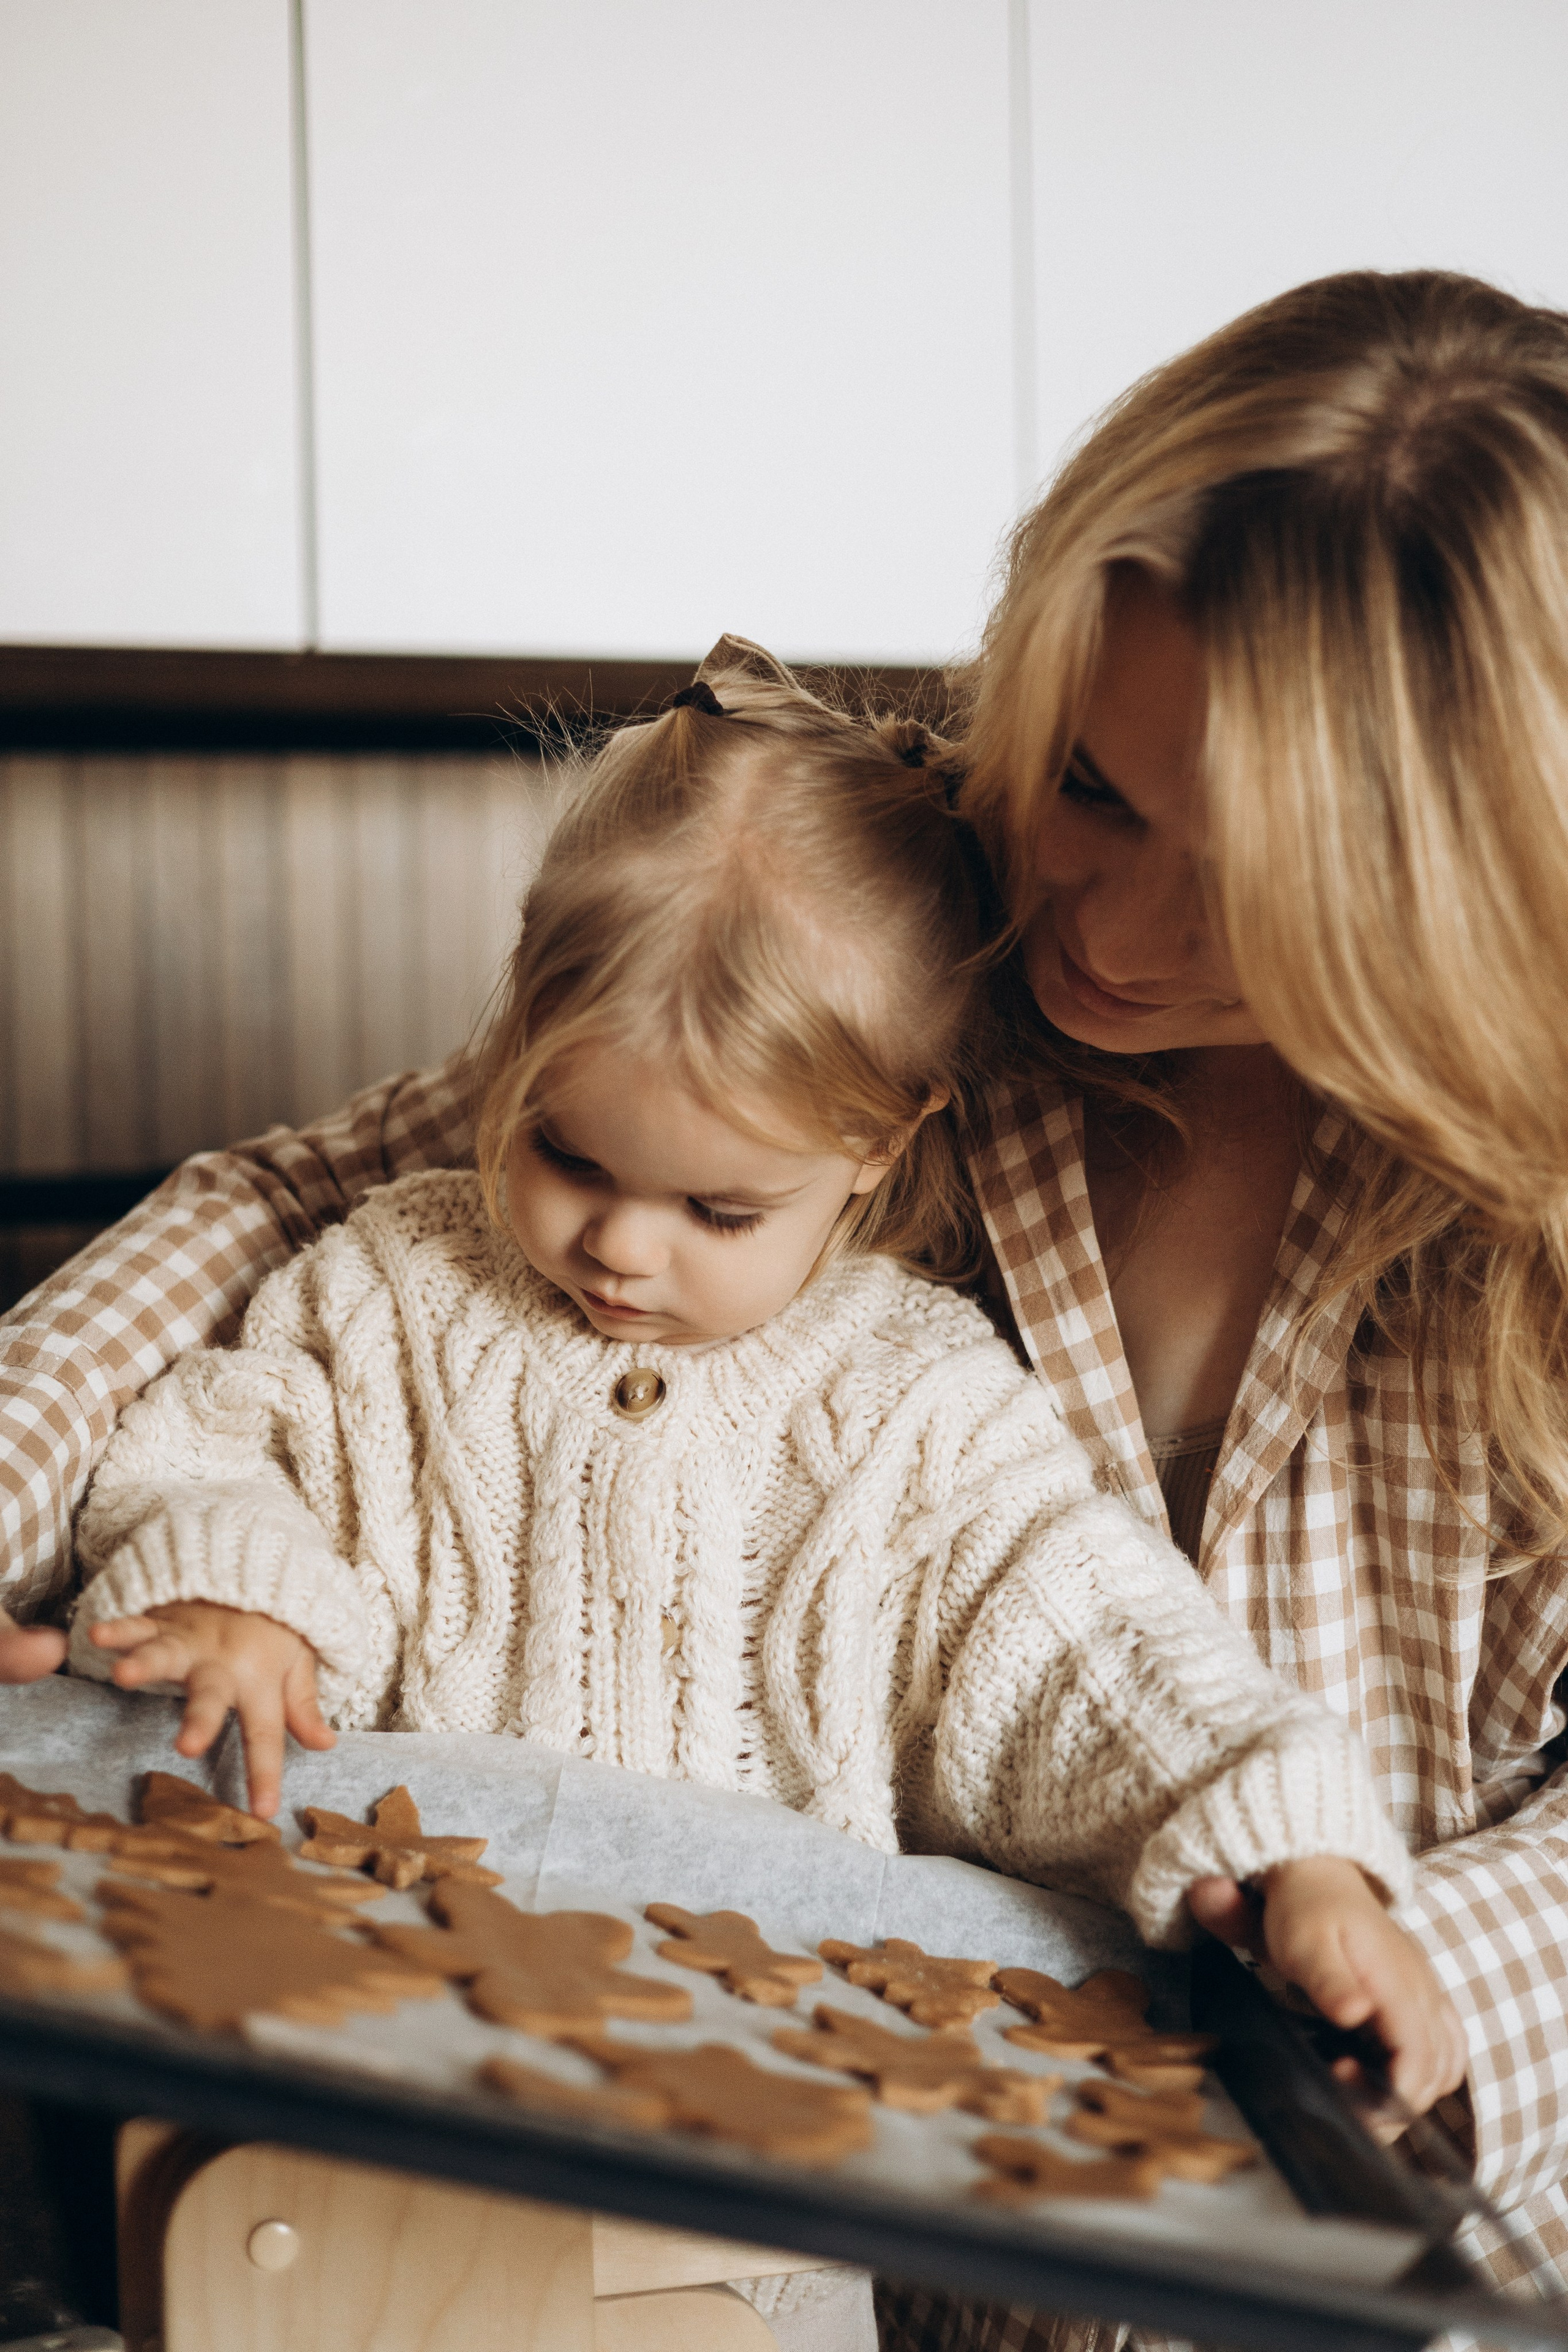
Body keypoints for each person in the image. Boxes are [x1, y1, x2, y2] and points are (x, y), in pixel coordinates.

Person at [1, 264, 1562, 2318]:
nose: (1095, 920)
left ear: (1447, 896)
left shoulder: (1501, 1213)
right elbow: (311, 1217)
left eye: (1255, 878)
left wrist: (1378, 1960)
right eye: (1095, 781)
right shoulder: (871, 936)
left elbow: (1077, 1639)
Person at [54, 643, 1446, 2111]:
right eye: (567, 1154)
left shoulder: (915, 1404)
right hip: (376, 2070)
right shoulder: (385, 1285)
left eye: (719, 1212)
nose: (620, 1250)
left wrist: (1298, 1854)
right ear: (516, 1030)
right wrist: (235, 1590)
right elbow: (206, 1446)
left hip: (773, 2126)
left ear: (875, 1150)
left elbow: (1096, 1658)